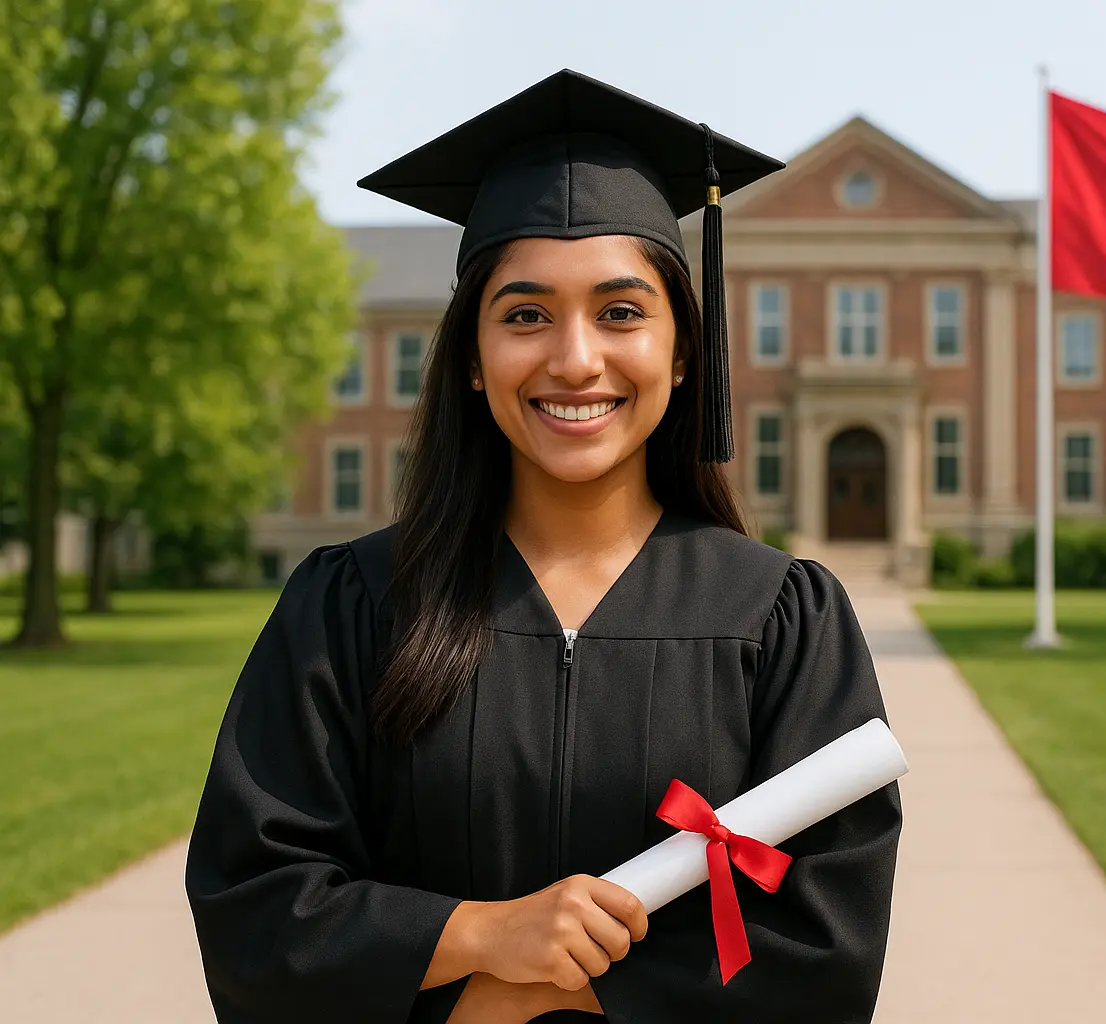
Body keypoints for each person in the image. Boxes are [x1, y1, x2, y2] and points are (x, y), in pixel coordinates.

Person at [184, 69, 903, 1024]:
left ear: (683, 353)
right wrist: (480, 944)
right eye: (524, 314)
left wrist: (561, 994)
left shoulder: (781, 620)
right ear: (474, 361)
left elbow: (828, 951)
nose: (573, 359)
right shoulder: (354, 603)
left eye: (621, 312)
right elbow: (255, 902)